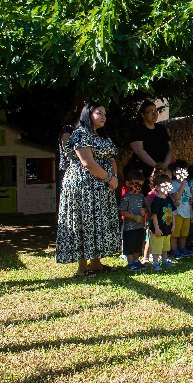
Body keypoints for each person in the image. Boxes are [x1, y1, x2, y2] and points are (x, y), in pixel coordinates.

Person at [56, 102, 120, 278]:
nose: (104, 117)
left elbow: (111, 158)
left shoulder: (102, 136)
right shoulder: (80, 135)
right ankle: (82, 268)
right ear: (88, 115)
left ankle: (97, 264)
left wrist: (114, 178)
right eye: (99, 113)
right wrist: (108, 178)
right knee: (84, 223)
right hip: (83, 187)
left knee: (97, 224)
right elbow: (88, 163)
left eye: (105, 114)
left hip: (102, 187)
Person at [129, 100, 173, 191]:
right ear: (143, 115)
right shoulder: (137, 129)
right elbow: (139, 151)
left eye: (155, 111)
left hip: (162, 170)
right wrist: (156, 165)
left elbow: (170, 149)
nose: (154, 114)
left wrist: (164, 165)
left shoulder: (161, 129)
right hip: (143, 170)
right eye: (150, 112)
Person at [119, 168, 147, 272]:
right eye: (135, 184)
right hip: (129, 228)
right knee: (129, 245)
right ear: (128, 183)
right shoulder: (126, 197)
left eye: (140, 184)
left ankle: (136, 261)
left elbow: (146, 207)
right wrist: (134, 217)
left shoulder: (141, 196)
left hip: (139, 227)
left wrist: (144, 210)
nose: (138, 187)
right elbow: (122, 211)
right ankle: (130, 262)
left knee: (138, 244)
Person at [148, 173, 176, 271]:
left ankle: (165, 260)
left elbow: (172, 212)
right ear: (157, 187)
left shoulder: (168, 199)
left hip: (167, 227)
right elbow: (154, 215)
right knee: (157, 247)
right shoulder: (156, 200)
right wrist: (156, 228)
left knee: (165, 246)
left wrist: (173, 225)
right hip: (158, 229)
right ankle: (155, 263)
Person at [168, 160, 193, 259]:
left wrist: (191, 212)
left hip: (186, 212)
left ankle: (183, 248)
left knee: (184, 233)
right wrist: (182, 185)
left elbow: (188, 199)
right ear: (174, 173)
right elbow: (177, 196)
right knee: (175, 233)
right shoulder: (173, 184)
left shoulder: (187, 185)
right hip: (177, 213)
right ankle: (174, 250)